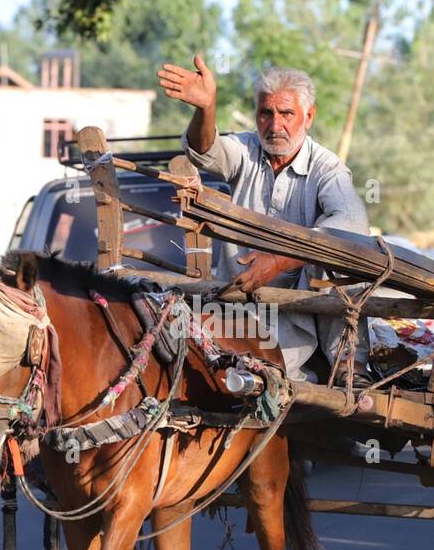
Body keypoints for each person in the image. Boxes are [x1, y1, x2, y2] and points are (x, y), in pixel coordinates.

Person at [157, 55, 371, 382]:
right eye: (265, 113)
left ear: (308, 116)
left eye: (286, 113)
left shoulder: (327, 169)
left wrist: (281, 260)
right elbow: (206, 150)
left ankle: (349, 366)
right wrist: (206, 108)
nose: (274, 126)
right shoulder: (246, 150)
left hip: (296, 322)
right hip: (232, 311)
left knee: (340, 254)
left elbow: (353, 224)